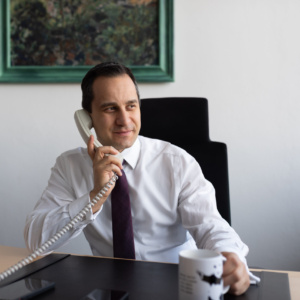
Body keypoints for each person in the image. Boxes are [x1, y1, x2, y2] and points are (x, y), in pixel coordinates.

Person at [24, 62, 256, 295]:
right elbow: (35, 241)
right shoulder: (69, 166)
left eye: (131, 106)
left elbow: (211, 227)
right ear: (87, 118)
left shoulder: (176, 161)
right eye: (110, 108)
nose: (124, 120)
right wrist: (94, 197)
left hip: (177, 287)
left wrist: (230, 257)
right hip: (108, 289)